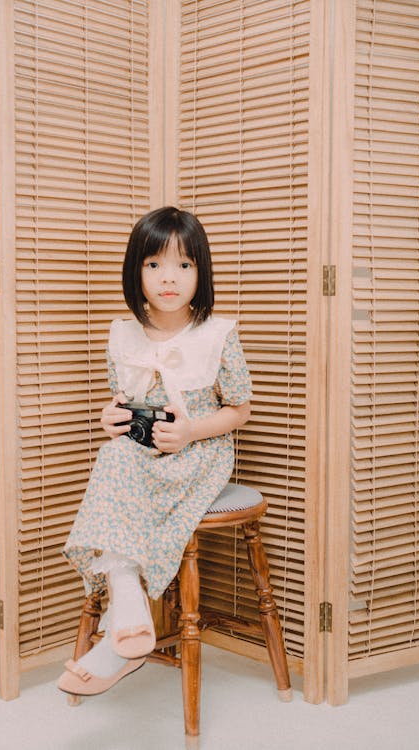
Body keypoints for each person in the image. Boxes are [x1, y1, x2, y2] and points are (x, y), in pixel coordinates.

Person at [58, 206, 252, 696]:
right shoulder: (121, 334)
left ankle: (120, 628)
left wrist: (190, 433)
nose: (170, 278)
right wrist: (112, 417)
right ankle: (129, 624)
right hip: (142, 453)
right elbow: (121, 402)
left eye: (184, 265)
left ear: (201, 272)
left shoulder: (219, 332)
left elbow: (239, 412)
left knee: (114, 465)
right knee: (115, 455)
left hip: (201, 450)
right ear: (136, 271)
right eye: (154, 265)